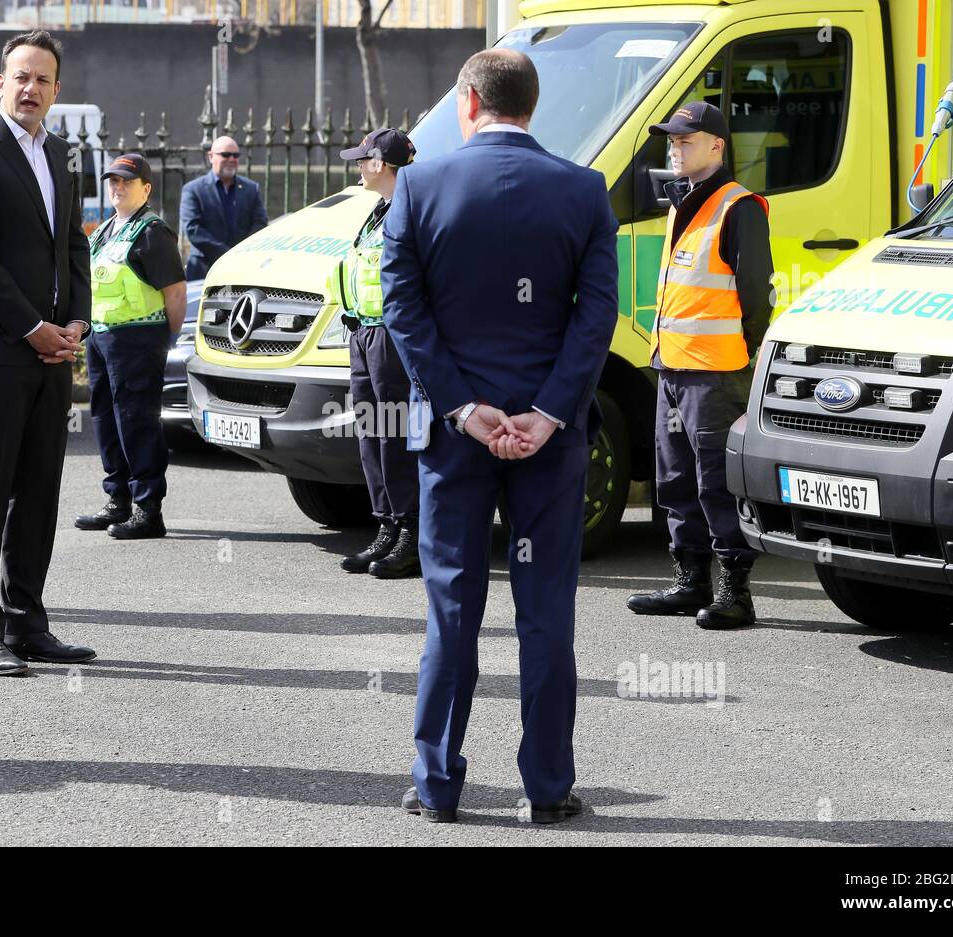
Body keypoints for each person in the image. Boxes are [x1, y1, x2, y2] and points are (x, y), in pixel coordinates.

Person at [382, 49, 619, 824]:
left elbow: (403, 312)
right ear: (531, 104)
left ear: (467, 103)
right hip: (548, 441)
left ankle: (437, 784)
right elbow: (596, 315)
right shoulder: (584, 190)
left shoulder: (418, 185)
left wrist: (462, 407)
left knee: (452, 606)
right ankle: (548, 789)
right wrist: (548, 412)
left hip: (455, 439)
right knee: (546, 610)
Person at [0, 30, 96, 675]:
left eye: (43, 80)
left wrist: (77, 323)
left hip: (55, 353)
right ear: (0, 82)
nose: (30, 89)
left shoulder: (60, 153)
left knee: (40, 490)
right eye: (20, 77)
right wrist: (31, 326)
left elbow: (74, 247)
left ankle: (28, 620)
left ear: (57, 91)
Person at [625, 102, 773, 630]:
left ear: (716, 146)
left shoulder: (739, 207)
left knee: (716, 482)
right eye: (672, 140)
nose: (675, 147)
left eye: (686, 140)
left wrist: (747, 353)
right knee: (675, 480)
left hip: (715, 370)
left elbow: (756, 294)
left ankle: (736, 592)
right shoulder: (681, 203)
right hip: (672, 366)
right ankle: (690, 584)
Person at [74, 153, 186, 539]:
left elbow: (175, 293)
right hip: (103, 338)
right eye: (113, 181)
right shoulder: (106, 229)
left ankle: (148, 509)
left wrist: (164, 341)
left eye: (126, 181)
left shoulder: (153, 232)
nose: (117, 187)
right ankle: (117, 500)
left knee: (137, 422)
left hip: (139, 340)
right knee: (105, 419)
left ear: (146, 188)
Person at [327, 128, 422, 579]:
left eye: (362, 160)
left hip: (394, 337)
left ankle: (409, 532)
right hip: (364, 332)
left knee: (396, 435)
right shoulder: (379, 211)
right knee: (371, 432)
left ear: (381, 164)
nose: (358, 168)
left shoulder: (411, 211)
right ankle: (386, 524)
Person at [179, 135, 268, 279]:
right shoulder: (193, 190)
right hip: (204, 269)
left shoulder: (251, 189)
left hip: (243, 269)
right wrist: (227, 255)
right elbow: (192, 229)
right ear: (211, 156)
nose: (231, 159)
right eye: (226, 155)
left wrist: (243, 253)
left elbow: (260, 223)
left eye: (235, 155)